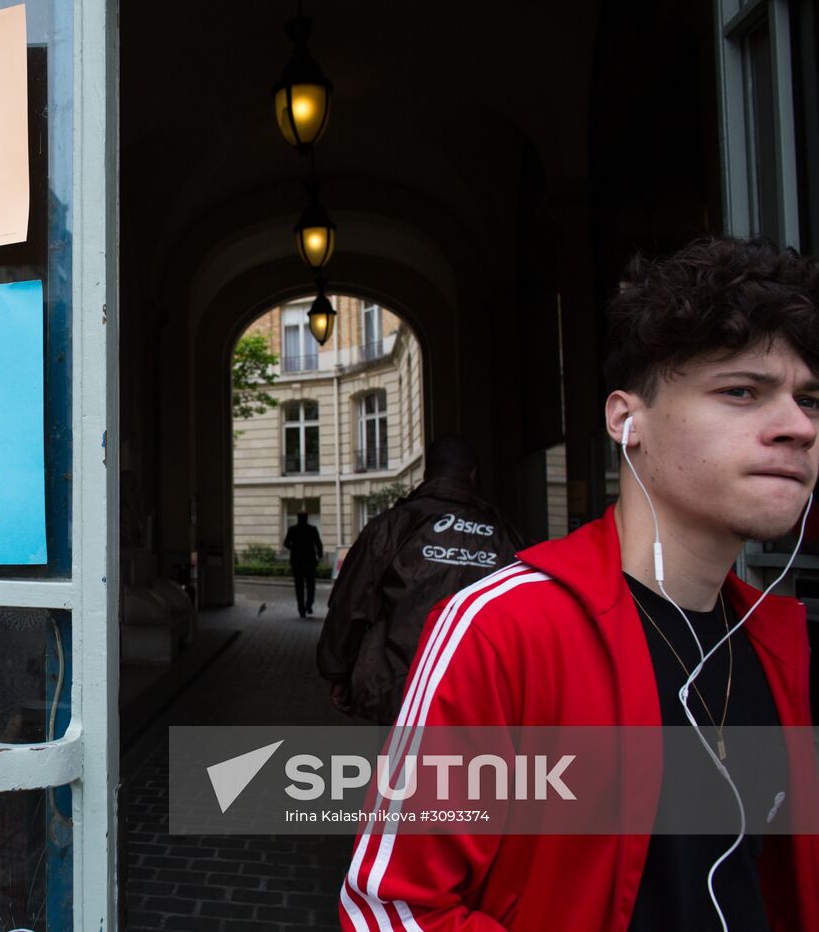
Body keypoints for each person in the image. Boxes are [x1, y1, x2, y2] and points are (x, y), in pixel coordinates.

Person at [338, 237, 819, 931]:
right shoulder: (504, 627)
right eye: (742, 391)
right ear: (627, 420)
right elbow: (390, 906)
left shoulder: (785, 646)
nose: (798, 427)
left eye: (809, 399)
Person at [317, 436, 526, 724]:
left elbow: (351, 604)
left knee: (403, 764)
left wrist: (339, 672)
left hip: (401, 688)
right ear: (473, 476)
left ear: (428, 474)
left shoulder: (391, 527)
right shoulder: (504, 534)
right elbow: (527, 613)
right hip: (478, 691)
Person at [283, 511, 324, 617]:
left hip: (297, 561)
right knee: (311, 585)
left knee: (299, 586)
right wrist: (319, 555)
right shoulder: (312, 529)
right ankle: (309, 605)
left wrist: (294, 549)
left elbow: (286, 543)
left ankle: (301, 609)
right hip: (310, 561)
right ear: (306, 518)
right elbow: (318, 544)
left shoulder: (293, 530)